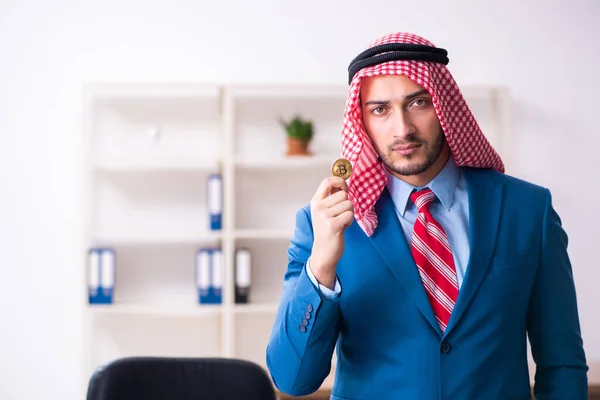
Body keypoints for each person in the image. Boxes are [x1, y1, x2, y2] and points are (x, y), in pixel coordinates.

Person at [265, 32, 588, 399]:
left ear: (444, 106)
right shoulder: (323, 223)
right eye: (380, 109)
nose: (402, 129)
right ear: (363, 121)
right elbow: (292, 379)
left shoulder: (528, 210)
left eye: (417, 102)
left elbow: (562, 364)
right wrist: (321, 263)